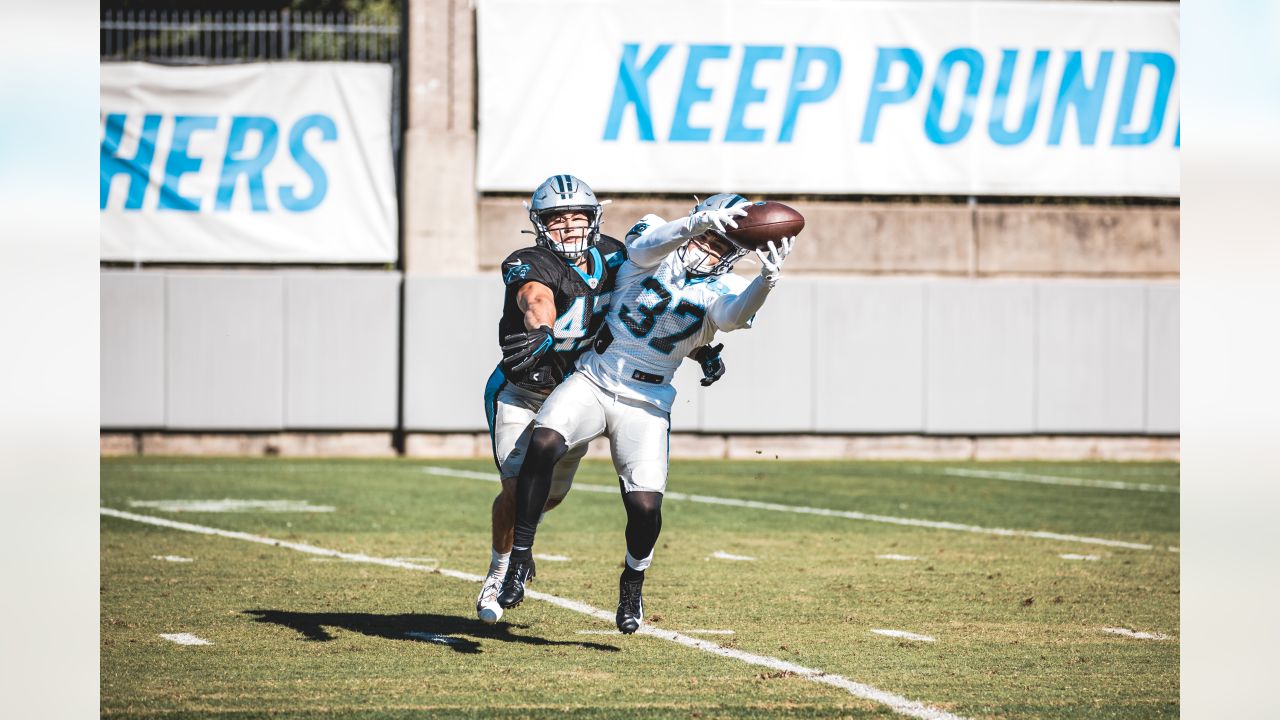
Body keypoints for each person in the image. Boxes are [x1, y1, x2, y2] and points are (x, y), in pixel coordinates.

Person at [495, 193, 794, 633]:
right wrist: (697, 223)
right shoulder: (657, 234)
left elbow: (730, 318)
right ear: (696, 220)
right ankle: (520, 556)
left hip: (648, 401)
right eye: (706, 235)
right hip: (595, 377)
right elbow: (644, 247)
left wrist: (764, 284)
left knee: (645, 508)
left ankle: (632, 581)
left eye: (722, 244)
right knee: (544, 441)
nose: (710, 248)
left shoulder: (727, 287)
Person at [476, 175, 728, 624]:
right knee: (515, 490)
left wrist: (701, 349)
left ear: (594, 219)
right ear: (539, 225)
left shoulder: (615, 255)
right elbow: (536, 296)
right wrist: (542, 330)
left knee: (547, 499)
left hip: (579, 388)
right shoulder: (527, 260)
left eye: (577, 217)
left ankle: (523, 541)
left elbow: (649, 313)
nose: (569, 228)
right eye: (557, 219)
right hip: (522, 391)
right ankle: (501, 569)